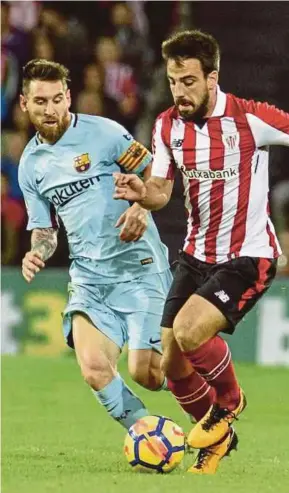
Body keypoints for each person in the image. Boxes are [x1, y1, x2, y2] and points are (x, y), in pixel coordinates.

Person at [113, 29, 289, 473]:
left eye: (189, 81)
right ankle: (216, 441)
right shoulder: (166, 125)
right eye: (174, 81)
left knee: (191, 333)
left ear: (213, 77)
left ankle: (229, 402)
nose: (180, 91)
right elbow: (160, 190)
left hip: (248, 254)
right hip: (196, 254)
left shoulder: (251, 119)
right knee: (169, 363)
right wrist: (140, 193)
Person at [18, 58, 175, 433]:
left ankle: (204, 390)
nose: (50, 109)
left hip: (139, 269)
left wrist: (140, 206)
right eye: (40, 101)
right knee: (94, 368)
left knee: (148, 373)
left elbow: (157, 176)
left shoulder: (105, 134)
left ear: (69, 97)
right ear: (24, 104)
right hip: (89, 279)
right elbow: (45, 231)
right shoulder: (30, 166)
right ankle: (149, 435)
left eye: (57, 99)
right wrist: (35, 253)